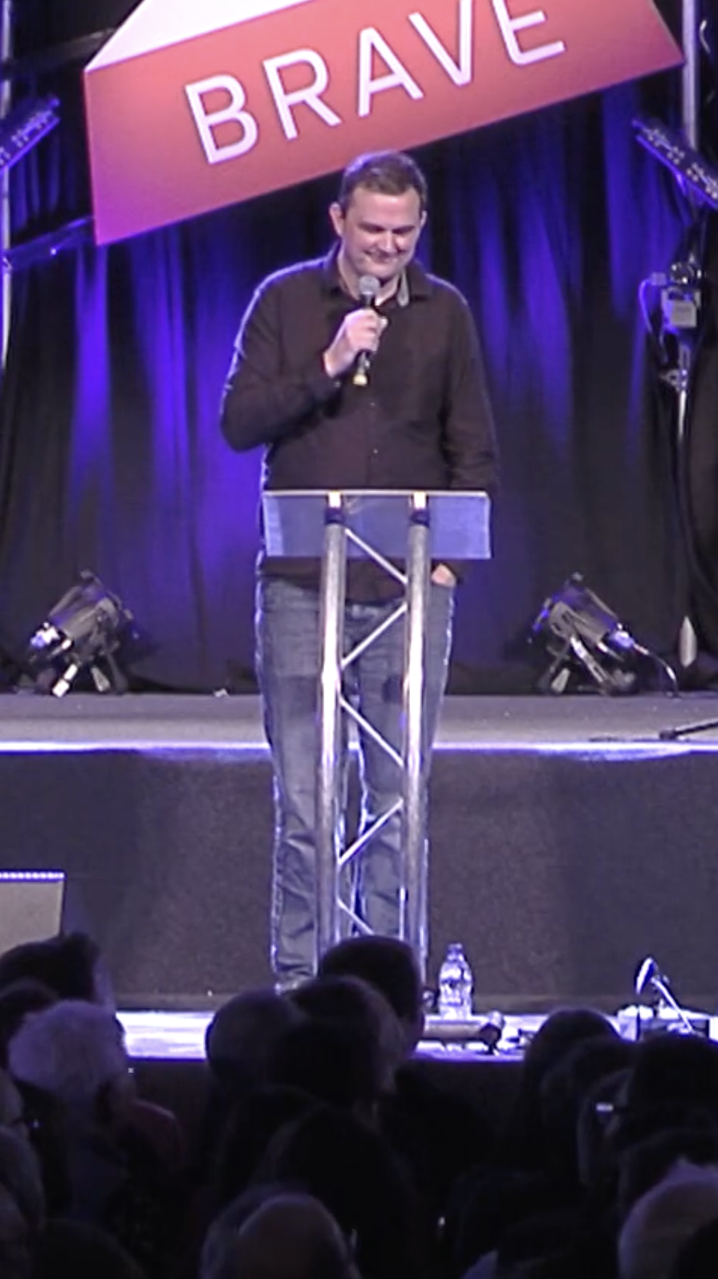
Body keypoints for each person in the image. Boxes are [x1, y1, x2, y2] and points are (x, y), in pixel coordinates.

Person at [221, 149, 501, 986]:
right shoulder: (284, 301)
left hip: (407, 590)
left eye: (403, 234)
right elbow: (239, 422)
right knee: (307, 801)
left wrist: (449, 566)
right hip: (304, 583)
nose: (386, 248)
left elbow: (474, 448)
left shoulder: (445, 313)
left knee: (397, 800)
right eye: (372, 230)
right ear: (338, 221)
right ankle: (301, 981)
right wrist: (329, 364)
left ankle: (385, 981)